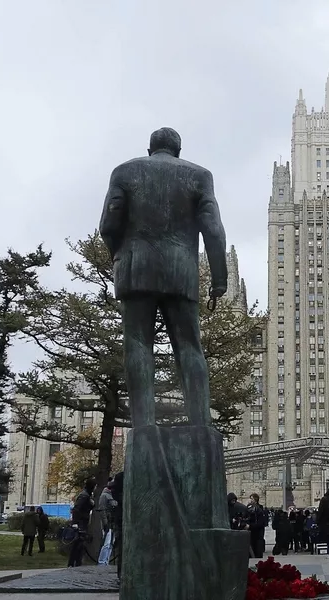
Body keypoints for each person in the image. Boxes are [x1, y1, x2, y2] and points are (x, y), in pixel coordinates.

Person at [99, 127, 228, 430]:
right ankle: (199, 425)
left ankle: (144, 426)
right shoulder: (199, 176)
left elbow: (108, 224)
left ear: (149, 150)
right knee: (189, 348)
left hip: (135, 269)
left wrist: (119, 256)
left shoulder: (124, 171)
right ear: (179, 152)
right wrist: (219, 279)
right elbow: (214, 230)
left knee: (137, 345)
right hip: (181, 273)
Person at [68, 478, 96, 567]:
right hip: (81, 523)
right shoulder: (84, 496)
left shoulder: (87, 495)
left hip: (83, 521)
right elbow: (76, 509)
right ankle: (73, 563)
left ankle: (76, 562)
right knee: (78, 544)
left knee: (80, 544)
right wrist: (76, 523)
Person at [111, 472, 124, 579]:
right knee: (122, 546)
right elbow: (114, 492)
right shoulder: (121, 476)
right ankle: (121, 575)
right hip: (122, 516)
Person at [246, 493, 267, 559]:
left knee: (257, 549)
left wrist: (250, 526)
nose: (250, 500)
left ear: (255, 499)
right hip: (252, 532)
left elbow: (260, 523)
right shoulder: (249, 507)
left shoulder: (259, 509)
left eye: (252, 498)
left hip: (258, 532)